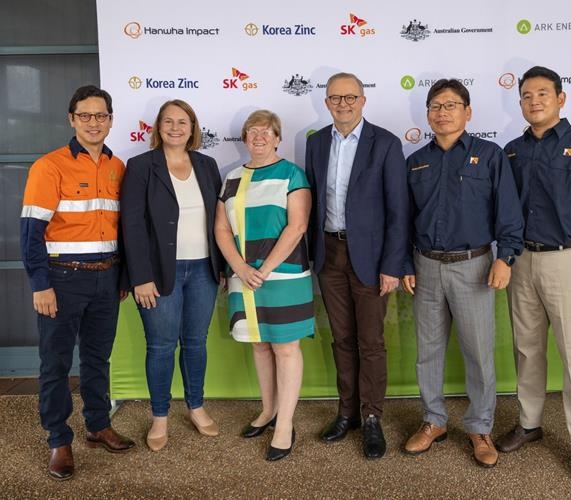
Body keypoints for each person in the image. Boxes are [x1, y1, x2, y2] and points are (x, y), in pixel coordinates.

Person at [496, 66, 571, 485]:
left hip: (570, 260)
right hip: (523, 262)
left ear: (561, 98)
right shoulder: (511, 151)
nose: (534, 101)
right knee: (527, 350)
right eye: (527, 95)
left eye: (543, 94)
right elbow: (507, 212)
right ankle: (529, 424)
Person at [401, 79, 523, 468]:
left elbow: (508, 211)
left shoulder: (489, 156)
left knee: (479, 353)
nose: (442, 112)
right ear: (427, 113)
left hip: (475, 267)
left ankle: (479, 427)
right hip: (426, 266)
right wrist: (405, 263)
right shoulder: (415, 160)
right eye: (435, 105)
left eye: (451, 105)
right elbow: (403, 219)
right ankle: (433, 421)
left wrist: (506, 257)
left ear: (467, 113)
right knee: (428, 352)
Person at [20, 85, 135, 481]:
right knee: (55, 364)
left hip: (107, 280)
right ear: (71, 119)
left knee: (97, 360)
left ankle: (98, 425)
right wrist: (40, 284)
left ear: (110, 120)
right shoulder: (49, 167)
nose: (93, 122)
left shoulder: (118, 167)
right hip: (61, 279)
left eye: (100, 115)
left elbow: (124, 230)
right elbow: (31, 232)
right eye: (84, 115)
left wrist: (120, 276)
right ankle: (58, 439)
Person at [305, 72, 410, 459]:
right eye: (335, 98)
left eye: (350, 97)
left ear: (363, 101)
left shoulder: (384, 143)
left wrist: (392, 266)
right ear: (326, 102)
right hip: (329, 254)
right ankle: (346, 412)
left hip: (370, 258)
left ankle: (371, 418)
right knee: (342, 339)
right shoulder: (315, 144)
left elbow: (399, 210)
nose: (343, 104)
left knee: (371, 342)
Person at [120, 99, 224, 452]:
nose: (176, 128)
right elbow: (131, 225)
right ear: (158, 127)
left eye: (183, 122)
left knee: (196, 342)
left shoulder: (207, 165)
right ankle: (160, 417)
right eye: (169, 121)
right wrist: (140, 277)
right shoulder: (140, 166)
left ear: (193, 128)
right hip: (159, 274)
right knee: (162, 346)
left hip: (203, 270)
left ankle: (196, 407)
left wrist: (220, 268)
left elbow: (220, 221)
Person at [214, 109, 314, 461]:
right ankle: (268, 410)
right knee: (259, 346)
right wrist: (240, 267)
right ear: (244, 138)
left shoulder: (292, 174)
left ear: (277, 137)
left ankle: (285, 424)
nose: (258, 137)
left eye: (266, 131)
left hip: (283, 275)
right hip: (244, 276)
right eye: (251, 131)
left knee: (285, 348)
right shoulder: (232, 178)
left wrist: (265, 269)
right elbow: (222, 228)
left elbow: (297, 227)